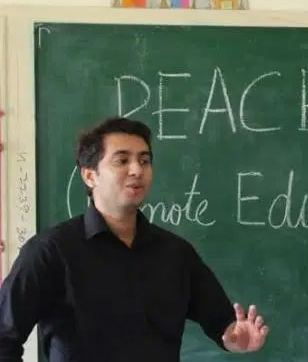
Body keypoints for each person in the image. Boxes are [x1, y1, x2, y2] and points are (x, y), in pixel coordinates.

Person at [0, 117, 269, 361]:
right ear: (90, 175)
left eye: (144, 160)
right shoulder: (50, 251)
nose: (137, 170)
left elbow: (223, 324)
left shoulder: (176, 254)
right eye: (122, 160)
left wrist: (235, 339)